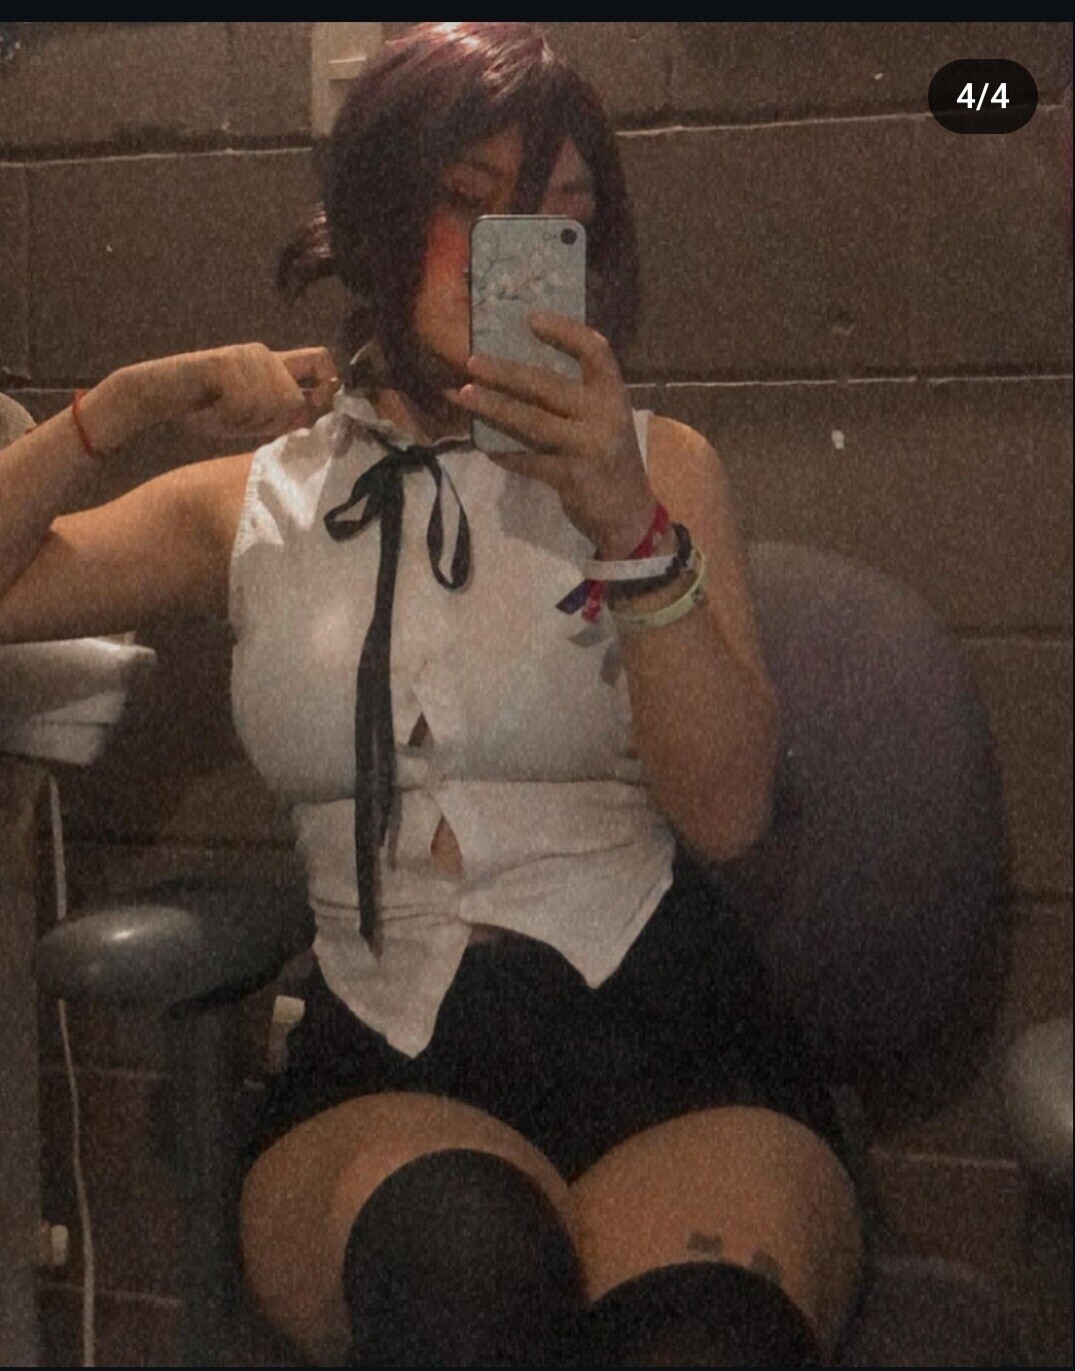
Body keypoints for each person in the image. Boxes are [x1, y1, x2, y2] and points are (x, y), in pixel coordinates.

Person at [0, 22, 863, 1367]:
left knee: (705, 1339)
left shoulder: (660, 466)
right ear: (376, 223)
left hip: (663, 1035)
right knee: (461, 1274)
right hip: (385, 1052)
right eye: (467, 202)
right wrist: (117, 411)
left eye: (555, 213)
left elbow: (728, 812)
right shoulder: (257, 499)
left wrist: (628, 527)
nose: (508, 246)